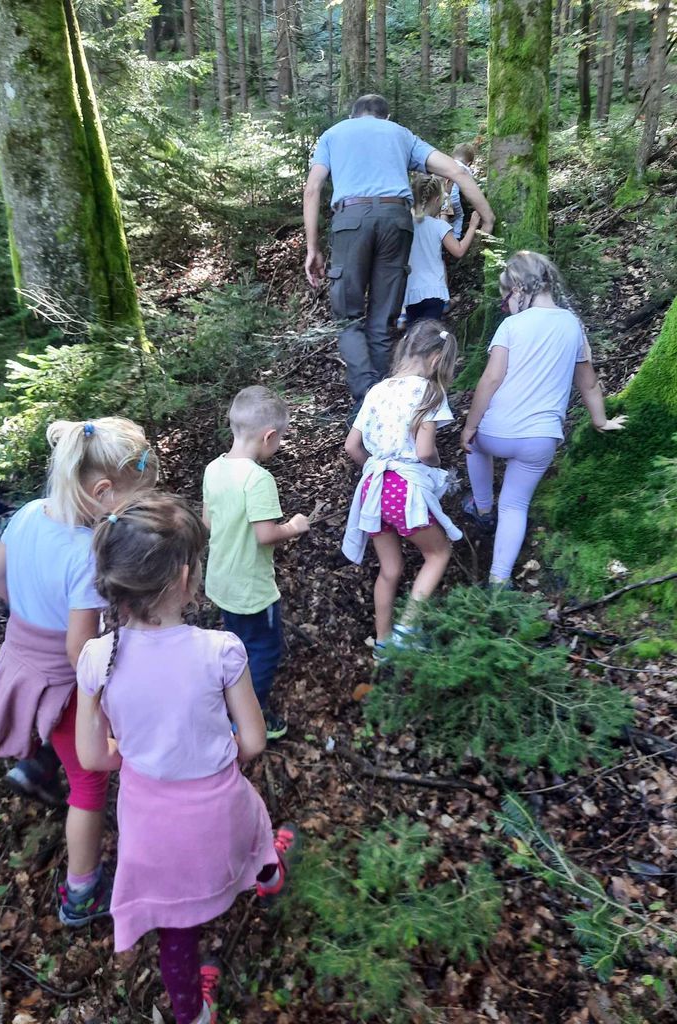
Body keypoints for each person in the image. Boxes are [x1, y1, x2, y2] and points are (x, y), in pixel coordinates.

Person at [75, 492, 298, 1024]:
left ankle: (191, 1012)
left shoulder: (97, 657)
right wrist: (212, 753)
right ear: (184, 578)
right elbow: (253, 741)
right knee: (255, 829)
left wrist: (138, 755)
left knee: (176, 928)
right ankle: (269, 878)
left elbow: (91, 754)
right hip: (219, 807)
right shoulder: (221, 650)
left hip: (148, 826)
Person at [0, 417, 158, 925]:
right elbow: (81, 650)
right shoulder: (85, 553)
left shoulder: (28, 514)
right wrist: (116, 690)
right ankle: (81, 893)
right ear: (101, 493)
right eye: (128, 505)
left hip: (21, 657)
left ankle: (37, 765)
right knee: (89, 783)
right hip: (64, 683)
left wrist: (33, 618)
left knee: (54, 735)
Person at [303, 93, 494, 410]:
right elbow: (457, 171)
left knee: (348, 319)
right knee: (382, 321)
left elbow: (312, 189)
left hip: (351, 221)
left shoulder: (333, 134)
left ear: (352, 116)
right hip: (397, 221)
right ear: (387, 118)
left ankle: (366, 403)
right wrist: (486, 215)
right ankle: (382, 402)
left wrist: (312, 248)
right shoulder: (401, 134)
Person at [460, 251, 627, 587]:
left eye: (506, 298)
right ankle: (499, 580)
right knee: (515, 505)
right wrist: (600, 421)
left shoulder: (511, 326)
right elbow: (588, 382)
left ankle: (483, 509)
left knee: (474, 445)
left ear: (520, 288)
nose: (506, 306)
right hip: (541, 439)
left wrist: (470, 426)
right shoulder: (572, 325)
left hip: (496, 431)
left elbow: (490, 379)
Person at [342, 322, 463, 660]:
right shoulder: (430, 393)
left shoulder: (377, 390)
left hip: (373, 488)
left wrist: (375, 466)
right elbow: (424, 452)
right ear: (436, 359)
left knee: (390, 569)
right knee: (438, 554)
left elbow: (352, 446)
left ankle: (382, 643)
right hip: (403, 488)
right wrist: (436, 466)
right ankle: (407, 631)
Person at [202, 386, 309, 740]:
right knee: (264, 649)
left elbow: (208, 522)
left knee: (238, 643)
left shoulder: (214, 468)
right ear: (269, 436)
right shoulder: (259, 479)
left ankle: (230, 692)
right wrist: (294, 526)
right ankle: (249, 714)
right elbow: (266, 535)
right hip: (251, 589)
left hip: (221, 581)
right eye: (280, 439)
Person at [404, 173, 481, 325]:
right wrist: (472, 227)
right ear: (437, 200)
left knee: (414, 333)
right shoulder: (439, 225)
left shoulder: (406, 225)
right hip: (434, 291)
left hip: (411, 293)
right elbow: (458, 250)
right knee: (430, 332)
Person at [447, 142, 476, 240]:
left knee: (447, 216)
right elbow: (470, 189)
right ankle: (456, 236)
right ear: (469, 163)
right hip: (454, 198)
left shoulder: (448, 165)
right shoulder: (466, 169)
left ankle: (446, 235)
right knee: (459, 216)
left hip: (443, 196)